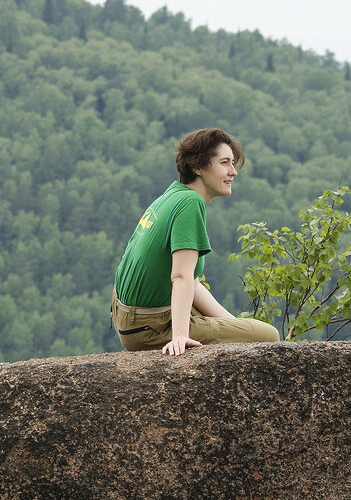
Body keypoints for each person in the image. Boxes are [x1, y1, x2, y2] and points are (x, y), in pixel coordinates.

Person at [112, 128, 280, 355]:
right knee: (268, 336)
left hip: (129, 317)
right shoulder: (191, 203)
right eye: (224, 163)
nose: (233, 172)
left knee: (250, 332)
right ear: (197, 167)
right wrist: (180, 336)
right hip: (150, 326)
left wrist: (237, 327)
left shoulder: (173, 194)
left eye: (233, 163)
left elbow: (192, 280)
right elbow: (180, 276)